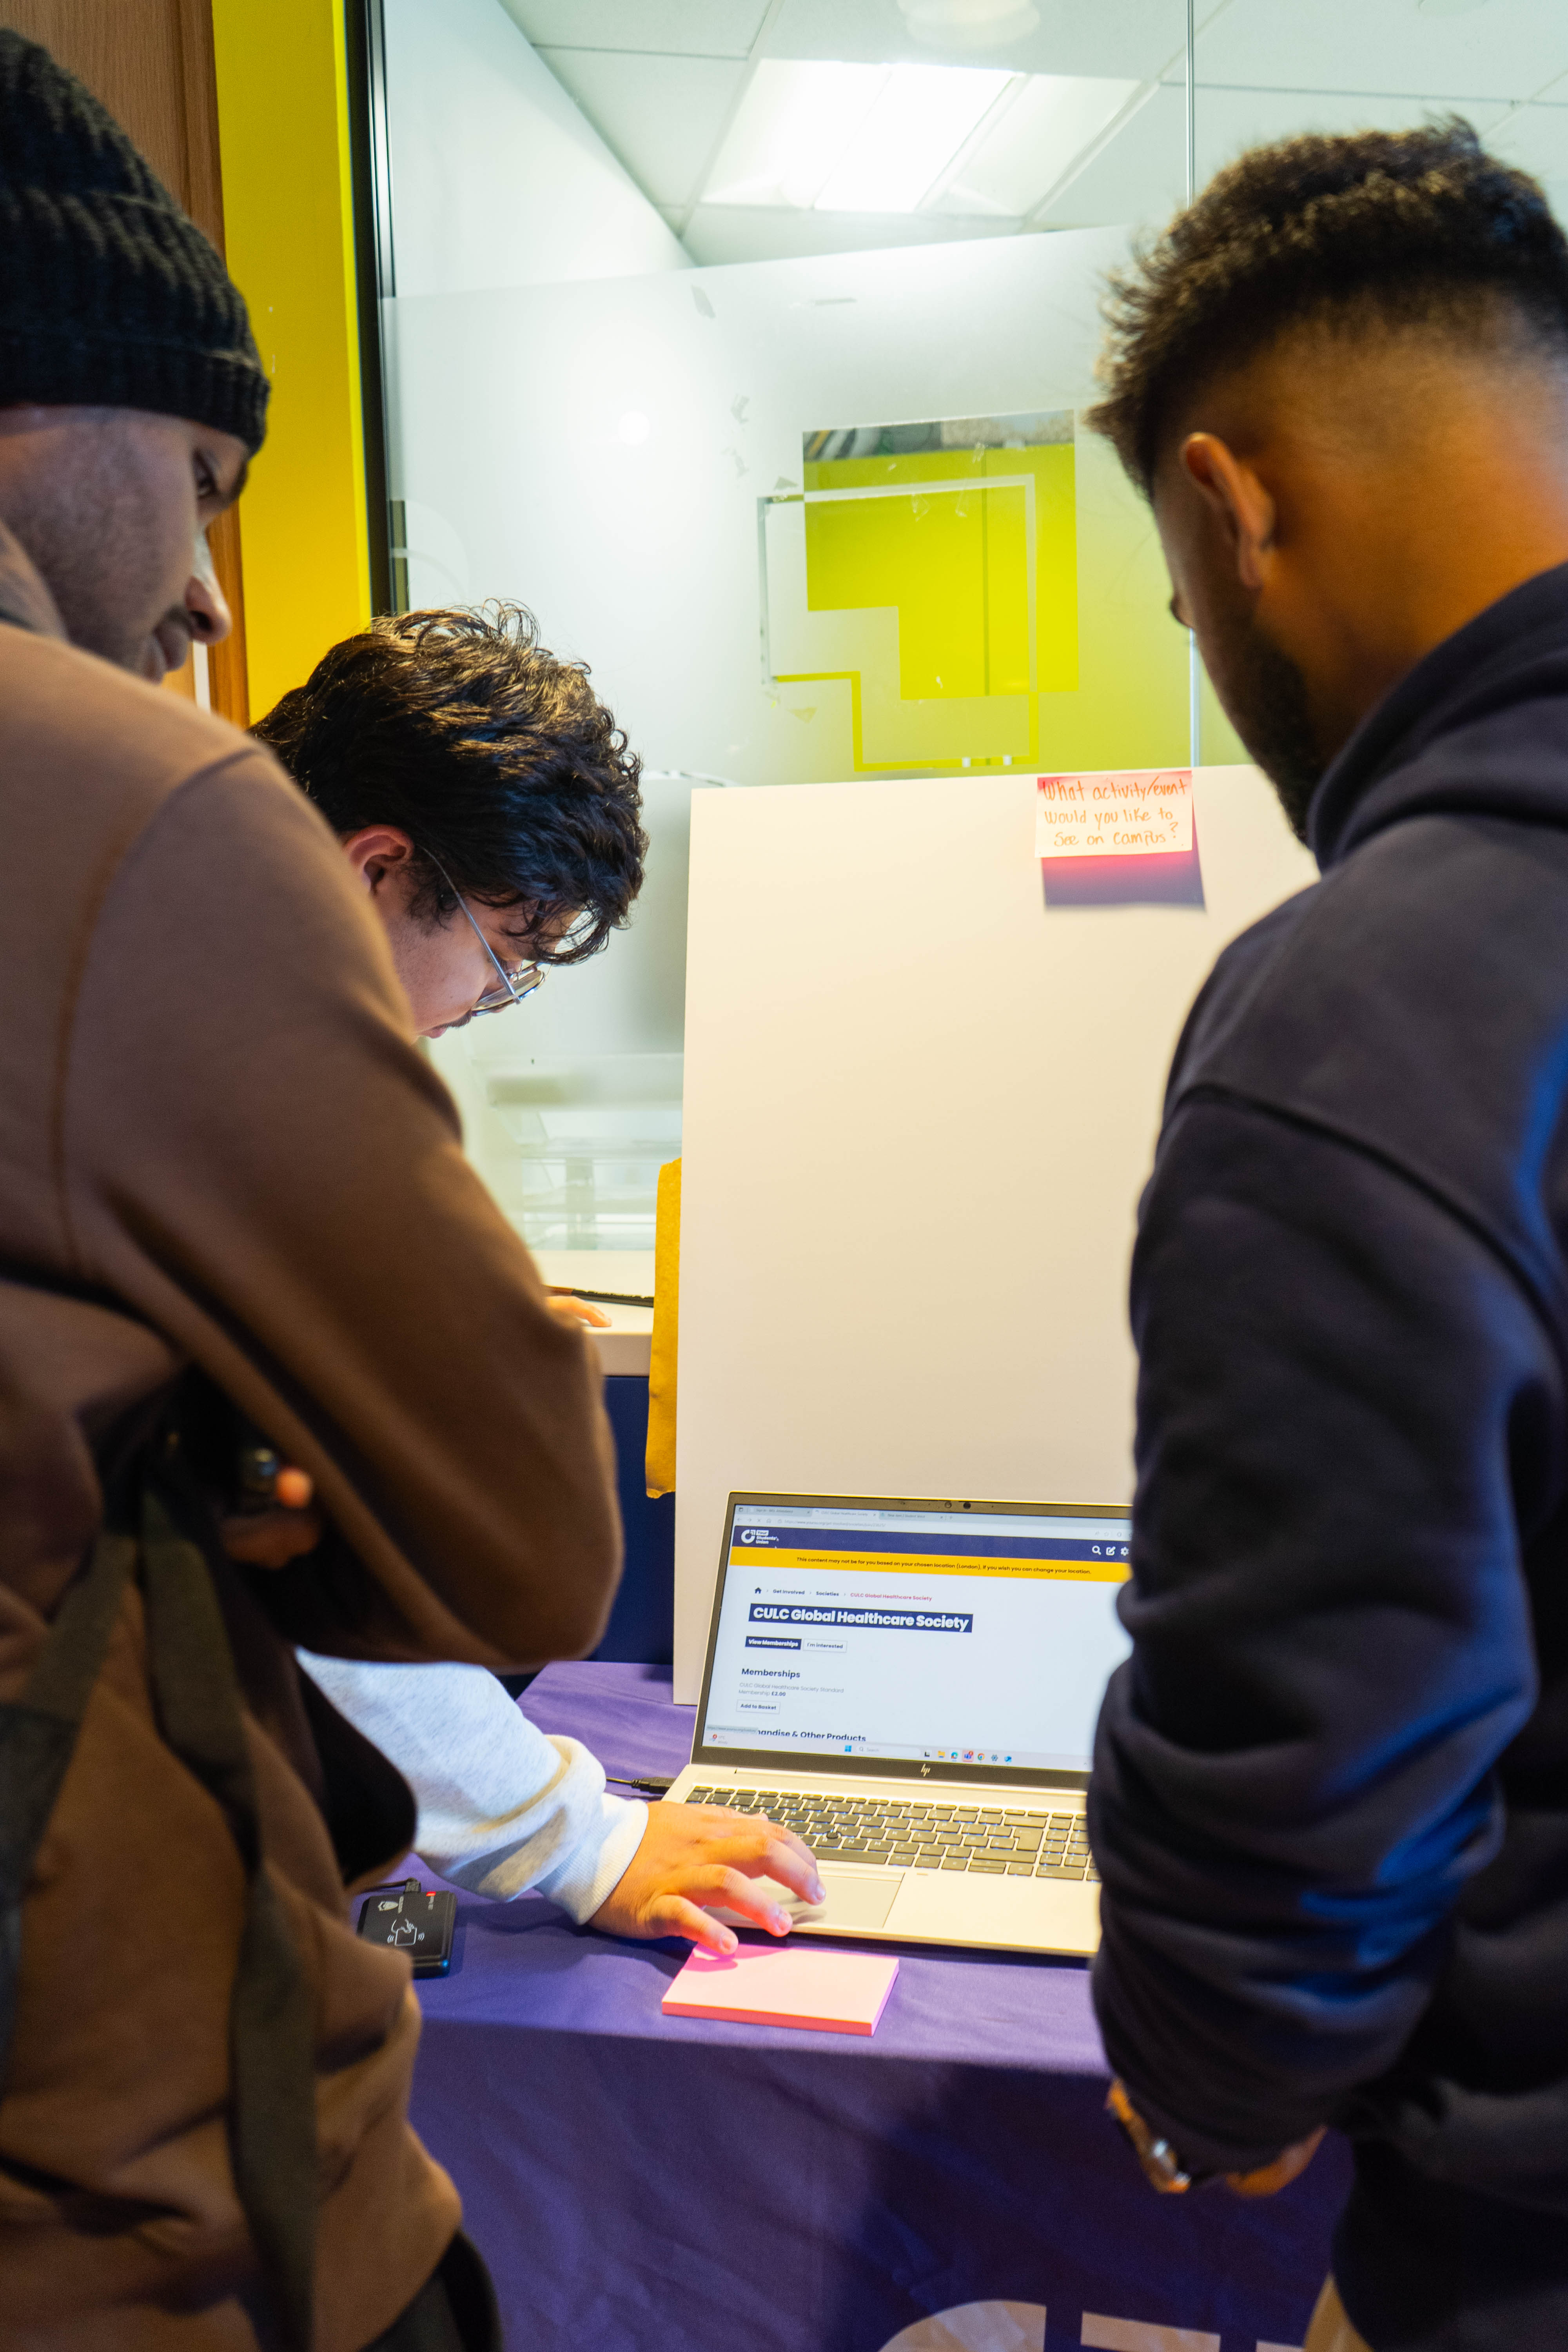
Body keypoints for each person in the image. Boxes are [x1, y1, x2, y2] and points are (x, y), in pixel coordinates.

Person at [0, 34, 625, 2348]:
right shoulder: (137, 811)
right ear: (40, 401)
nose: (199, 596)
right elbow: (522, 1534)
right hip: (143, 2213)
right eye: (198, 472)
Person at [1082, 122, 1568, 2352]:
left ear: (1231, 507)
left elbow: (1308, 1723)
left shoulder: (1371, 1014)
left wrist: (1211, 2084)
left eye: (1185, 607)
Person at [250, 608, 825, 1950]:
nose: (476, 1007)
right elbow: (274, 1550)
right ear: (380, 867)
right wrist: (578, 1837)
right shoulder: (218, 1084)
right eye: (502, 960)